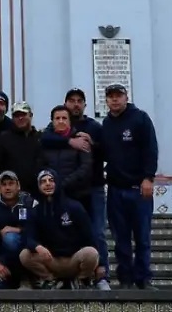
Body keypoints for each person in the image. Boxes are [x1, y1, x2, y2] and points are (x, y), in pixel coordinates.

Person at [42, 87, 109, 289]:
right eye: (71, 100)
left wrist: (92, 143)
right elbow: (44, 139)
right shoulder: (53, 128)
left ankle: (101, 275)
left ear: (85, 104)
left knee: (96, 232)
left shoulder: (93, 126)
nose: (76, 104)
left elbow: (104, 150)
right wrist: (70, 140)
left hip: (92, 189)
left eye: (80, 100)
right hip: (65, 193)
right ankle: (70, 276)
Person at [101, 83, 158, 290]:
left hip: (139, 189)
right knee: (120, 239)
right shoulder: (106, 124)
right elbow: (103, 152)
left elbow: (150, 149)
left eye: (119, 96)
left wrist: (148, 178)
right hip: (116, 190)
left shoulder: (140, 118)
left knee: (142, 238)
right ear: (106, 100)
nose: (115, 100)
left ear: (126, 97)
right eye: (111, 96)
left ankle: (143, 279)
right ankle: (125, 280)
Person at [20, 169, 99, 289]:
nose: (47, 184)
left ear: (57, 182)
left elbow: (90, 237)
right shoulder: (36, 211)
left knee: (91, 253)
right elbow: (27, 237)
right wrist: (38, 247)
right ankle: (51, 280)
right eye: (43, 181)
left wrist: (101, 265)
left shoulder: (74, 206)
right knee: (25, 255)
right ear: (39, 186)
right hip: (51, 260)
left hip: (74, 259)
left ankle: (80, 280)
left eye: (51, 180)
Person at [0, 170, 35, 290]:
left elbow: (41, 229)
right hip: (2, 256)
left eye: (11, 183)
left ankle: (25, 276)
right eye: (4, 184)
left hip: (28, 255)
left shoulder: (30, 202)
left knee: (10, 238)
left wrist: (18, 230)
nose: (7, 188)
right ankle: (12, 280)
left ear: (18, 185)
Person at [0, 102, 45, 193]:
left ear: (31, 115)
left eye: (23, 114)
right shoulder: (3, 139)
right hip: (10, 195)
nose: (20, 118)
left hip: (37, 194)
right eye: (16, 116)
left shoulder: (40, 138)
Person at [42, 106, 92, 201]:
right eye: (57, 118)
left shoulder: (81, 140)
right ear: (52, 121)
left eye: (64, 118)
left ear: (70, 121)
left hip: (77, 195)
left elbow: (85, 167)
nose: (61, 121)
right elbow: (41, 164)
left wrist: (63, 183)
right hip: (49, 195)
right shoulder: (45, 141)